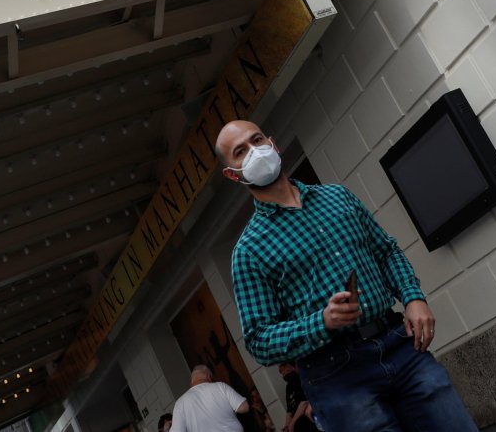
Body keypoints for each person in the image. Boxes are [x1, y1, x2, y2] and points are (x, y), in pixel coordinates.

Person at [218, 119, 479, 432]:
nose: (254, 152)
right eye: (240, 151)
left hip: (400, 345)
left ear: (272, 143)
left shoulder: (337, 197)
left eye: (257, 140)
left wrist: (413, 297)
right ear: (233, 174)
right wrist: (323, 321)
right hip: (335, 376)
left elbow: (386, 252)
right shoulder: (249, 251)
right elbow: (259, 339)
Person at [169, 365, 251, 432]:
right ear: (209, 376)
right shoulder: (220, 386)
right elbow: (244, 407)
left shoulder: (180, 403)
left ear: (191, 381)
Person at [278, 362, 316, 432]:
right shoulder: (288, 387)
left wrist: (292, 424)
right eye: (282, 373)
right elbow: (289, 409)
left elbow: (304, 403)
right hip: (298, 425)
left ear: (293, 368)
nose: (285, 374)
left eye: (287, 371)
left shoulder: (301, 380)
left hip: (308, 421)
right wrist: (286, 426)